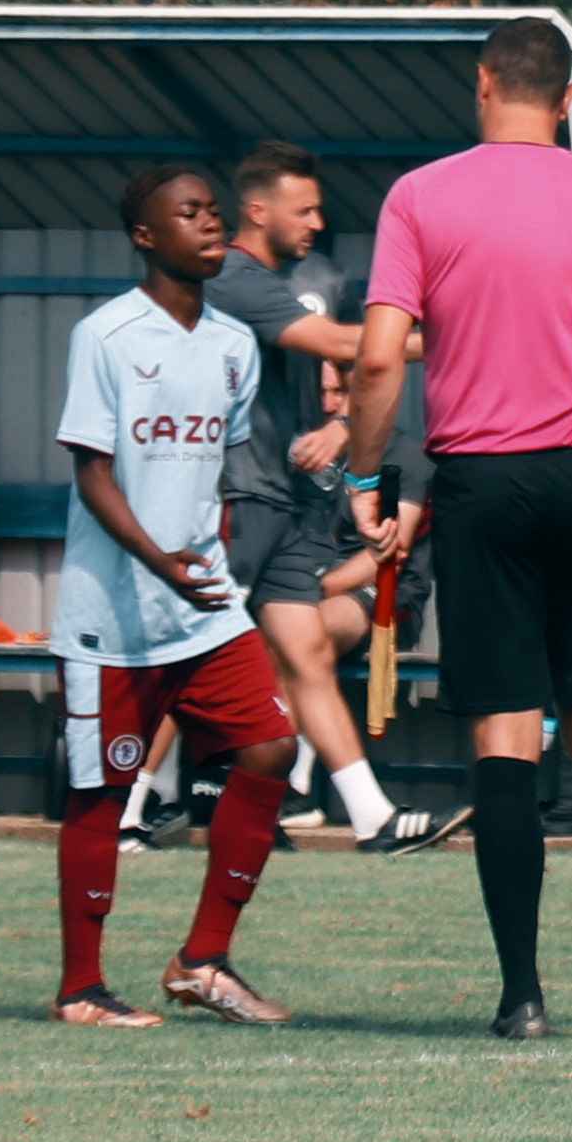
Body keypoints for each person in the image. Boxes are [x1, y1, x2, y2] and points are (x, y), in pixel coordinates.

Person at [346, 17, 572, 1041]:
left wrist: (367, 476)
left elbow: (377, 357)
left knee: (504, 730)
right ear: (569, 99)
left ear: (482, 85)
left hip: (482, 484)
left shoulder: (421, 197)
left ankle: (522, 998)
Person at [51, 167, 299, 1028]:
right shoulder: (106, 335)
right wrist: (158, 559)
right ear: (146, 236)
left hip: (203, 603)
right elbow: (92, 473)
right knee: (101, 793)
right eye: (188, 213)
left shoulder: (234, 344)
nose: (209, 224)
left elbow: (217, 471)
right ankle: (80, 988)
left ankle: (202, 961)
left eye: (214, 212)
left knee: (271, 747)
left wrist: (205, 558)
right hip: (113, 610)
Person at [210, 143, 432, 853]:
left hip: (281, 501)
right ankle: (130, 805)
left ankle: (371, 817)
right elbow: (340, 341)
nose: (316, 222)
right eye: (303, 210)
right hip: (239, 495)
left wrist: (340, 427)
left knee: (303, 650)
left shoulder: (282, 281)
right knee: (193, 650)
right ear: (257, 211)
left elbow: (345, 369)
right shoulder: (234, 278)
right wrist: (449, 333)